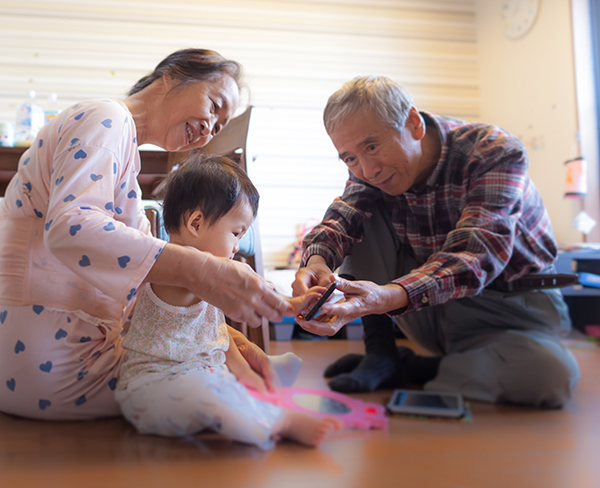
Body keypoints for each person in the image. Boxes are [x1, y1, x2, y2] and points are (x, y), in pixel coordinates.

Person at [0, 48, 292, 420]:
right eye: (213, 105)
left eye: (219, 126)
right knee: (195, 377)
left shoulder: (123, 156)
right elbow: (71, 225)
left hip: (28, 359)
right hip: (49, 362)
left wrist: (228, 339)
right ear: (171, 76)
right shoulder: (106, 118)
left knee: (203, 360)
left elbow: (146, 297)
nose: (210, 128)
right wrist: (200, 269)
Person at [292, 76, 580, 408]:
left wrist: (386, 296)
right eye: (349, 158)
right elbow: (343, 217)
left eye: (372, 146)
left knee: (551, 376)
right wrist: (316, 263)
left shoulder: (494, 151)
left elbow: (476, 255)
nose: (367, 170)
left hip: (512, 307)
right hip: (432, 309)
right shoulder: (370, 172)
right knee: (360, 215)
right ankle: (381, 354)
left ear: (413, 123)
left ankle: (414, 367)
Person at [116, 155, 342, 448]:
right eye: (235, 233)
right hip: (151, 388)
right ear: (196, 223)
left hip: (201, 376)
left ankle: (264, 385)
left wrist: (248, 374)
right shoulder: (174, 274)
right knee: (208, 393)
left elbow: (217, 337)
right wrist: (290, 303)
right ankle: (278, 421)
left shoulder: (207, 284)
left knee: (222, 386)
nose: (237, 246)